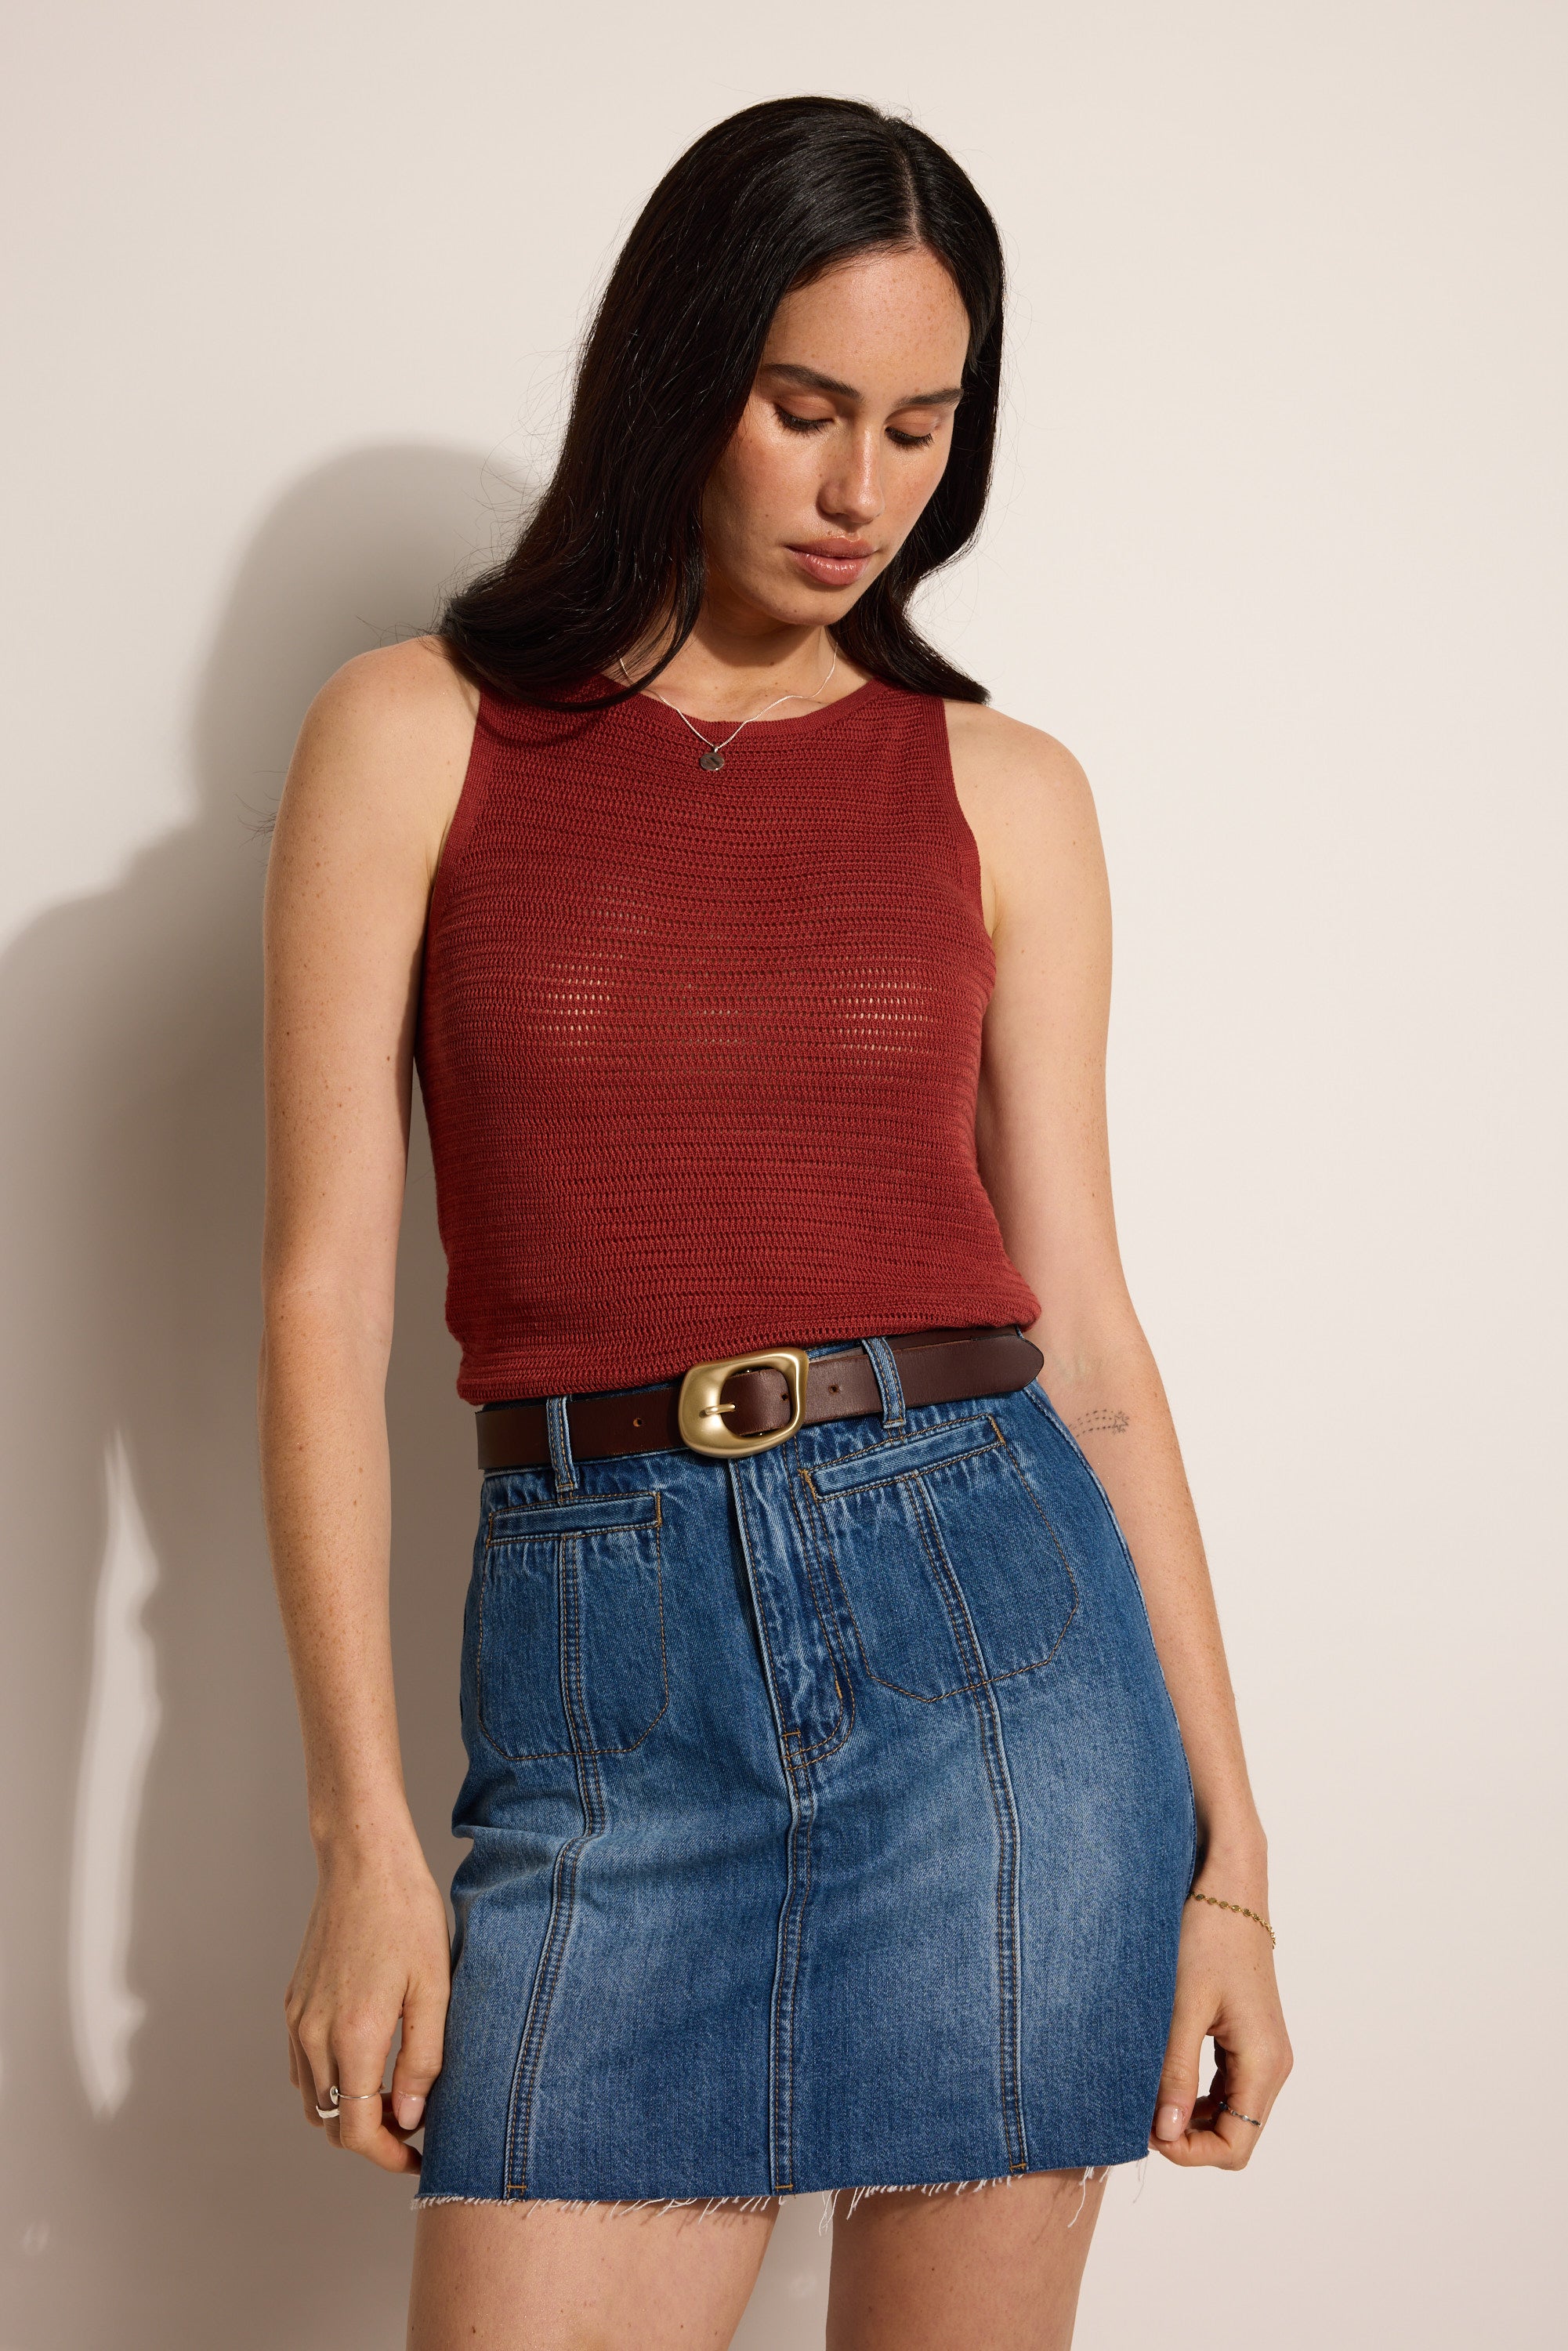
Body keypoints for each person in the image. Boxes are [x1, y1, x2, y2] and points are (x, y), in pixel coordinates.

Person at [259, 94, 1291, 2351]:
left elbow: (1091, 1347)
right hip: (599, 1684)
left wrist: (1233, 1869)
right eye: (805, 409)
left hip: (1000, 1660)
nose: (862, 492)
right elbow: (325, 1300)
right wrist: (361, 1843)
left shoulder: (1001, 788)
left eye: (921, 428)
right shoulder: (412, 738)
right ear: (673, 379)